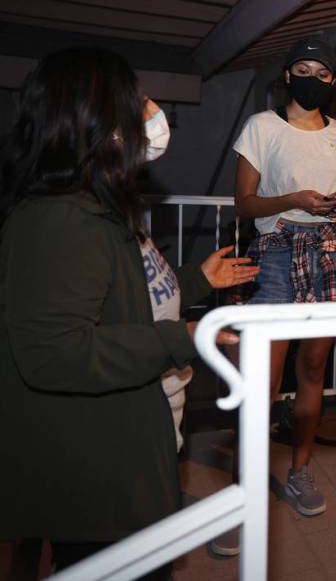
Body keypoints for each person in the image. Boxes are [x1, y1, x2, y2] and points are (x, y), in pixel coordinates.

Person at [0, 48, 257, 575]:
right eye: (134, 105)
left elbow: (127, 292)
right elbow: (54, 352)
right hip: (100, 471)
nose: (148, 117)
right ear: (95, 123)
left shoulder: (96, 199)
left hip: (132, 439)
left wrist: (195, 279)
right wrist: (181, 337)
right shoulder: (59, 221)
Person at [230, 35, 336, 520]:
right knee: (265, 377)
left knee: (313, 368)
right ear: (288, 75)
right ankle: (243, 492)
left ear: (333, 81)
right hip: (276, 250)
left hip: (331, 249)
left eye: (322, 72)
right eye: (303, 70)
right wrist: (295, 199)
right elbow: (245, 204)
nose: (312, 79)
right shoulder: (261, 126)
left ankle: (299, 470)